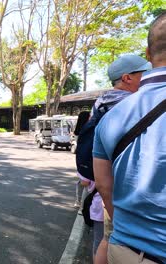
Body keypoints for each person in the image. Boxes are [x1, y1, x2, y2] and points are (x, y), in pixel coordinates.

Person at [93, 13, 166, 264]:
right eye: (138, 74)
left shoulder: (109, 114)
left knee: (105, 240)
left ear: (148, 52)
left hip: (126, 246)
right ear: (126, 78)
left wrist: (124, 229)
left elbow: (104, 185)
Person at [77, 54, 151, 264]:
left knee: (105, 239)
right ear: (128, 78)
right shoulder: (134, 106)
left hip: (101, 189)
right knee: (116, 242)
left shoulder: (101, 102)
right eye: (144, 74)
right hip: (122, 193)